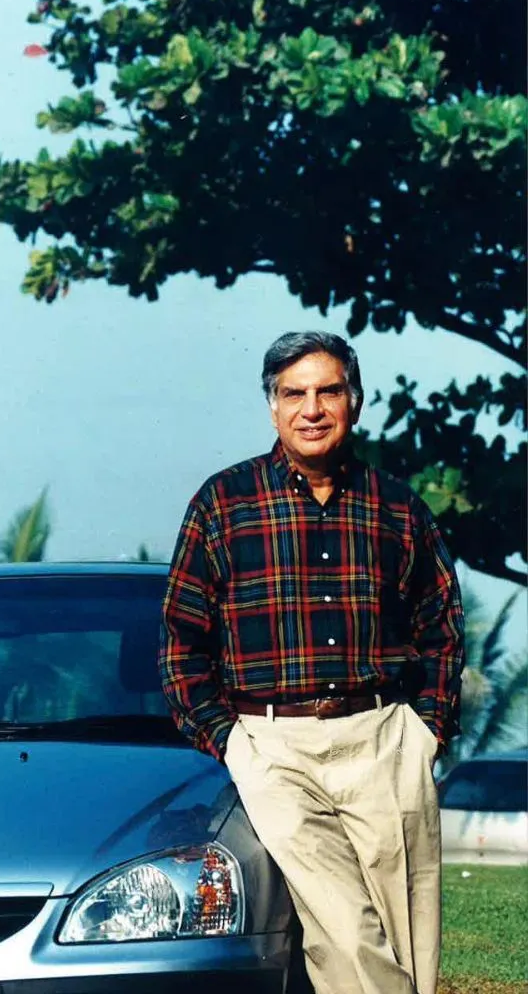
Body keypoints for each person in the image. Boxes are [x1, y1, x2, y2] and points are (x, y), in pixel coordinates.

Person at [158, 331, 464, 994]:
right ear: (273, 407)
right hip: (274, 749)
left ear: (355, 401)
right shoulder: (224, 504)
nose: (313, 409)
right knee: (347, 932)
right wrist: (231, 742)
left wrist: (426, 732)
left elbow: (442, 627)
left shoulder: (398, 508)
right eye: (294, 394)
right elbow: (182, 643)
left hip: (385, 743)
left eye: (329, 391)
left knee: (407, 942)